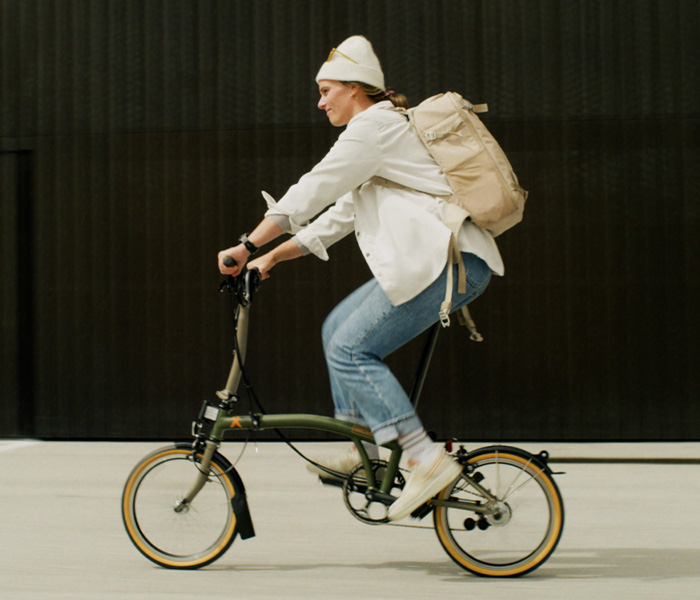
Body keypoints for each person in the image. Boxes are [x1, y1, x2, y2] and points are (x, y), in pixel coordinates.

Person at [217, 35, 504, 521]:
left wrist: (248, 243)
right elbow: (339, 215)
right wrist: (270, 259)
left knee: (351, 349)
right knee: (337, 330)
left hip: (448, 264)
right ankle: (359, 447)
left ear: (355, 88)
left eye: (327, 90)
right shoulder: (380, 138)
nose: (320, 100)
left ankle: (422, 457)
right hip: (439, 265)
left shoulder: (373, 129)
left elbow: (313, 189)